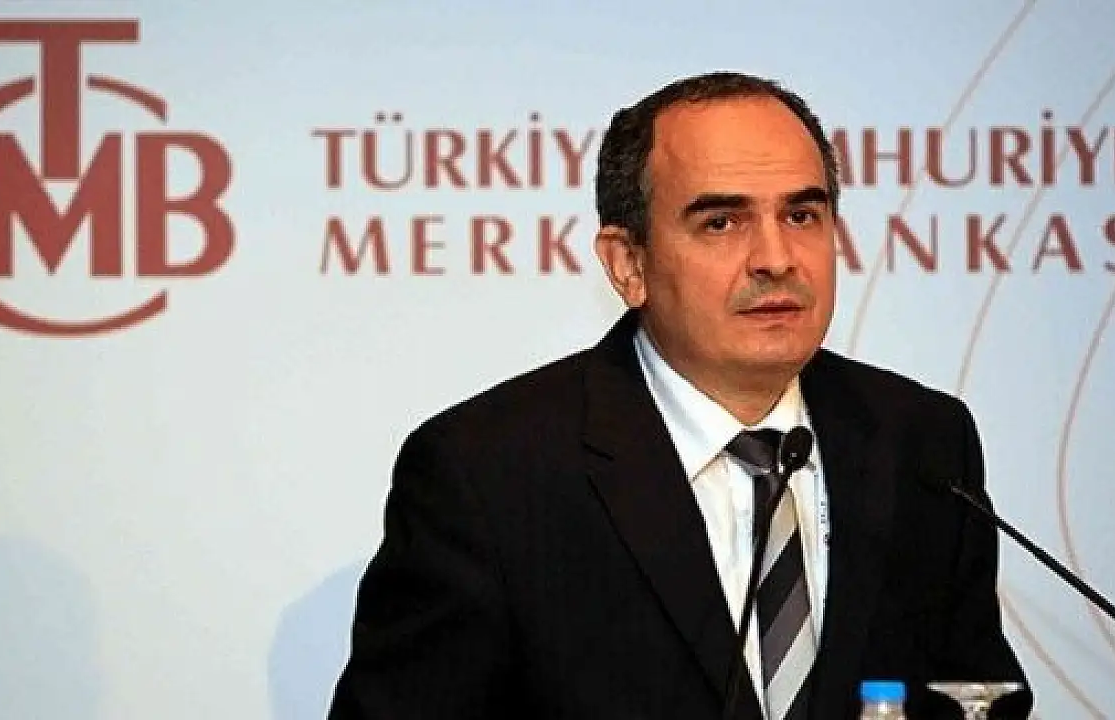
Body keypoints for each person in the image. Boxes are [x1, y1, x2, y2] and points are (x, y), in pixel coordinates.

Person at [327, 71, 1032, 719]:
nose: (776, 258)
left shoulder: (922, 442)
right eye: (721, 222)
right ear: (627, 264)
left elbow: (977, 696)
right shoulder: (489, 474)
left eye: (801, 215)